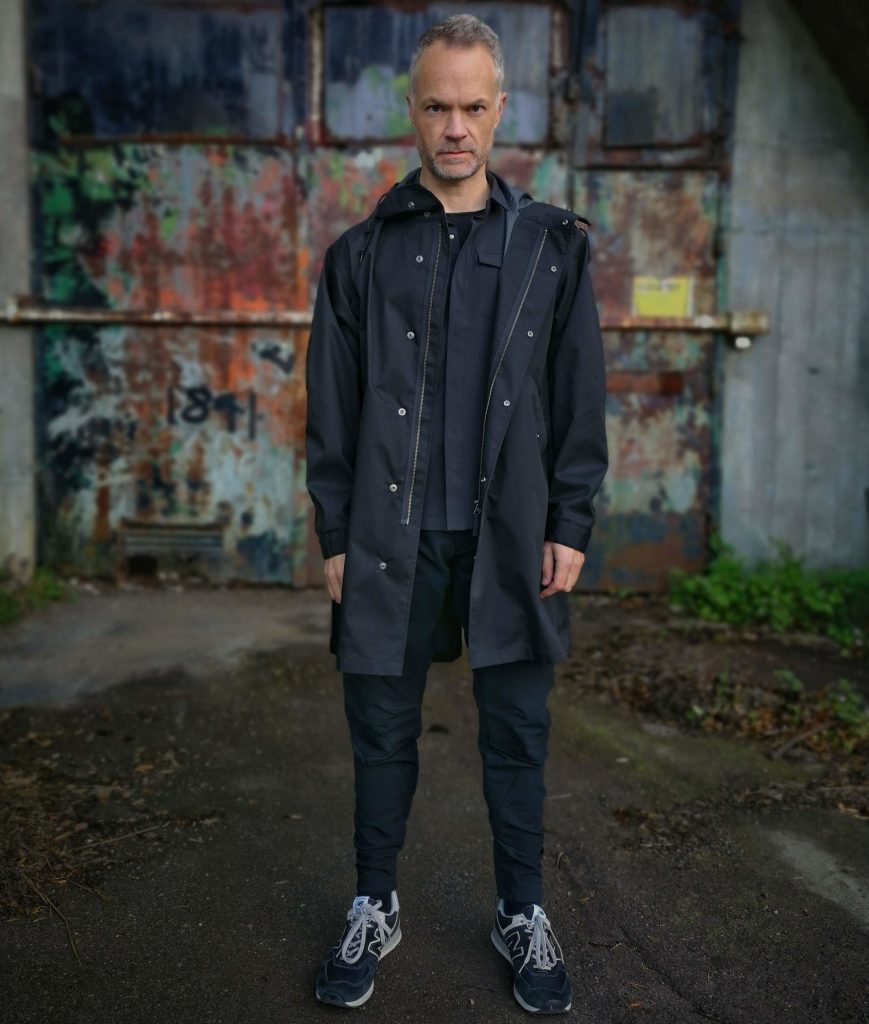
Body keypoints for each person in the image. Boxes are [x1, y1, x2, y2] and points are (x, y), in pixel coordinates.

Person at [305, 13, 607, 1015]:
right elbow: (333, 411)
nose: (456, 125)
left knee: (517, 731)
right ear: (413, 109)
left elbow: (578, 394)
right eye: (438, 104)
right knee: (380, 729)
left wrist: (572, 519)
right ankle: (373, 900)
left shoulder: (550, 248)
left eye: (474, 106)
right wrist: (336, 536)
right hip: (392, 541)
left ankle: (521, 909)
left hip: (513, 537)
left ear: (500, 111)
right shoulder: (359, 255)